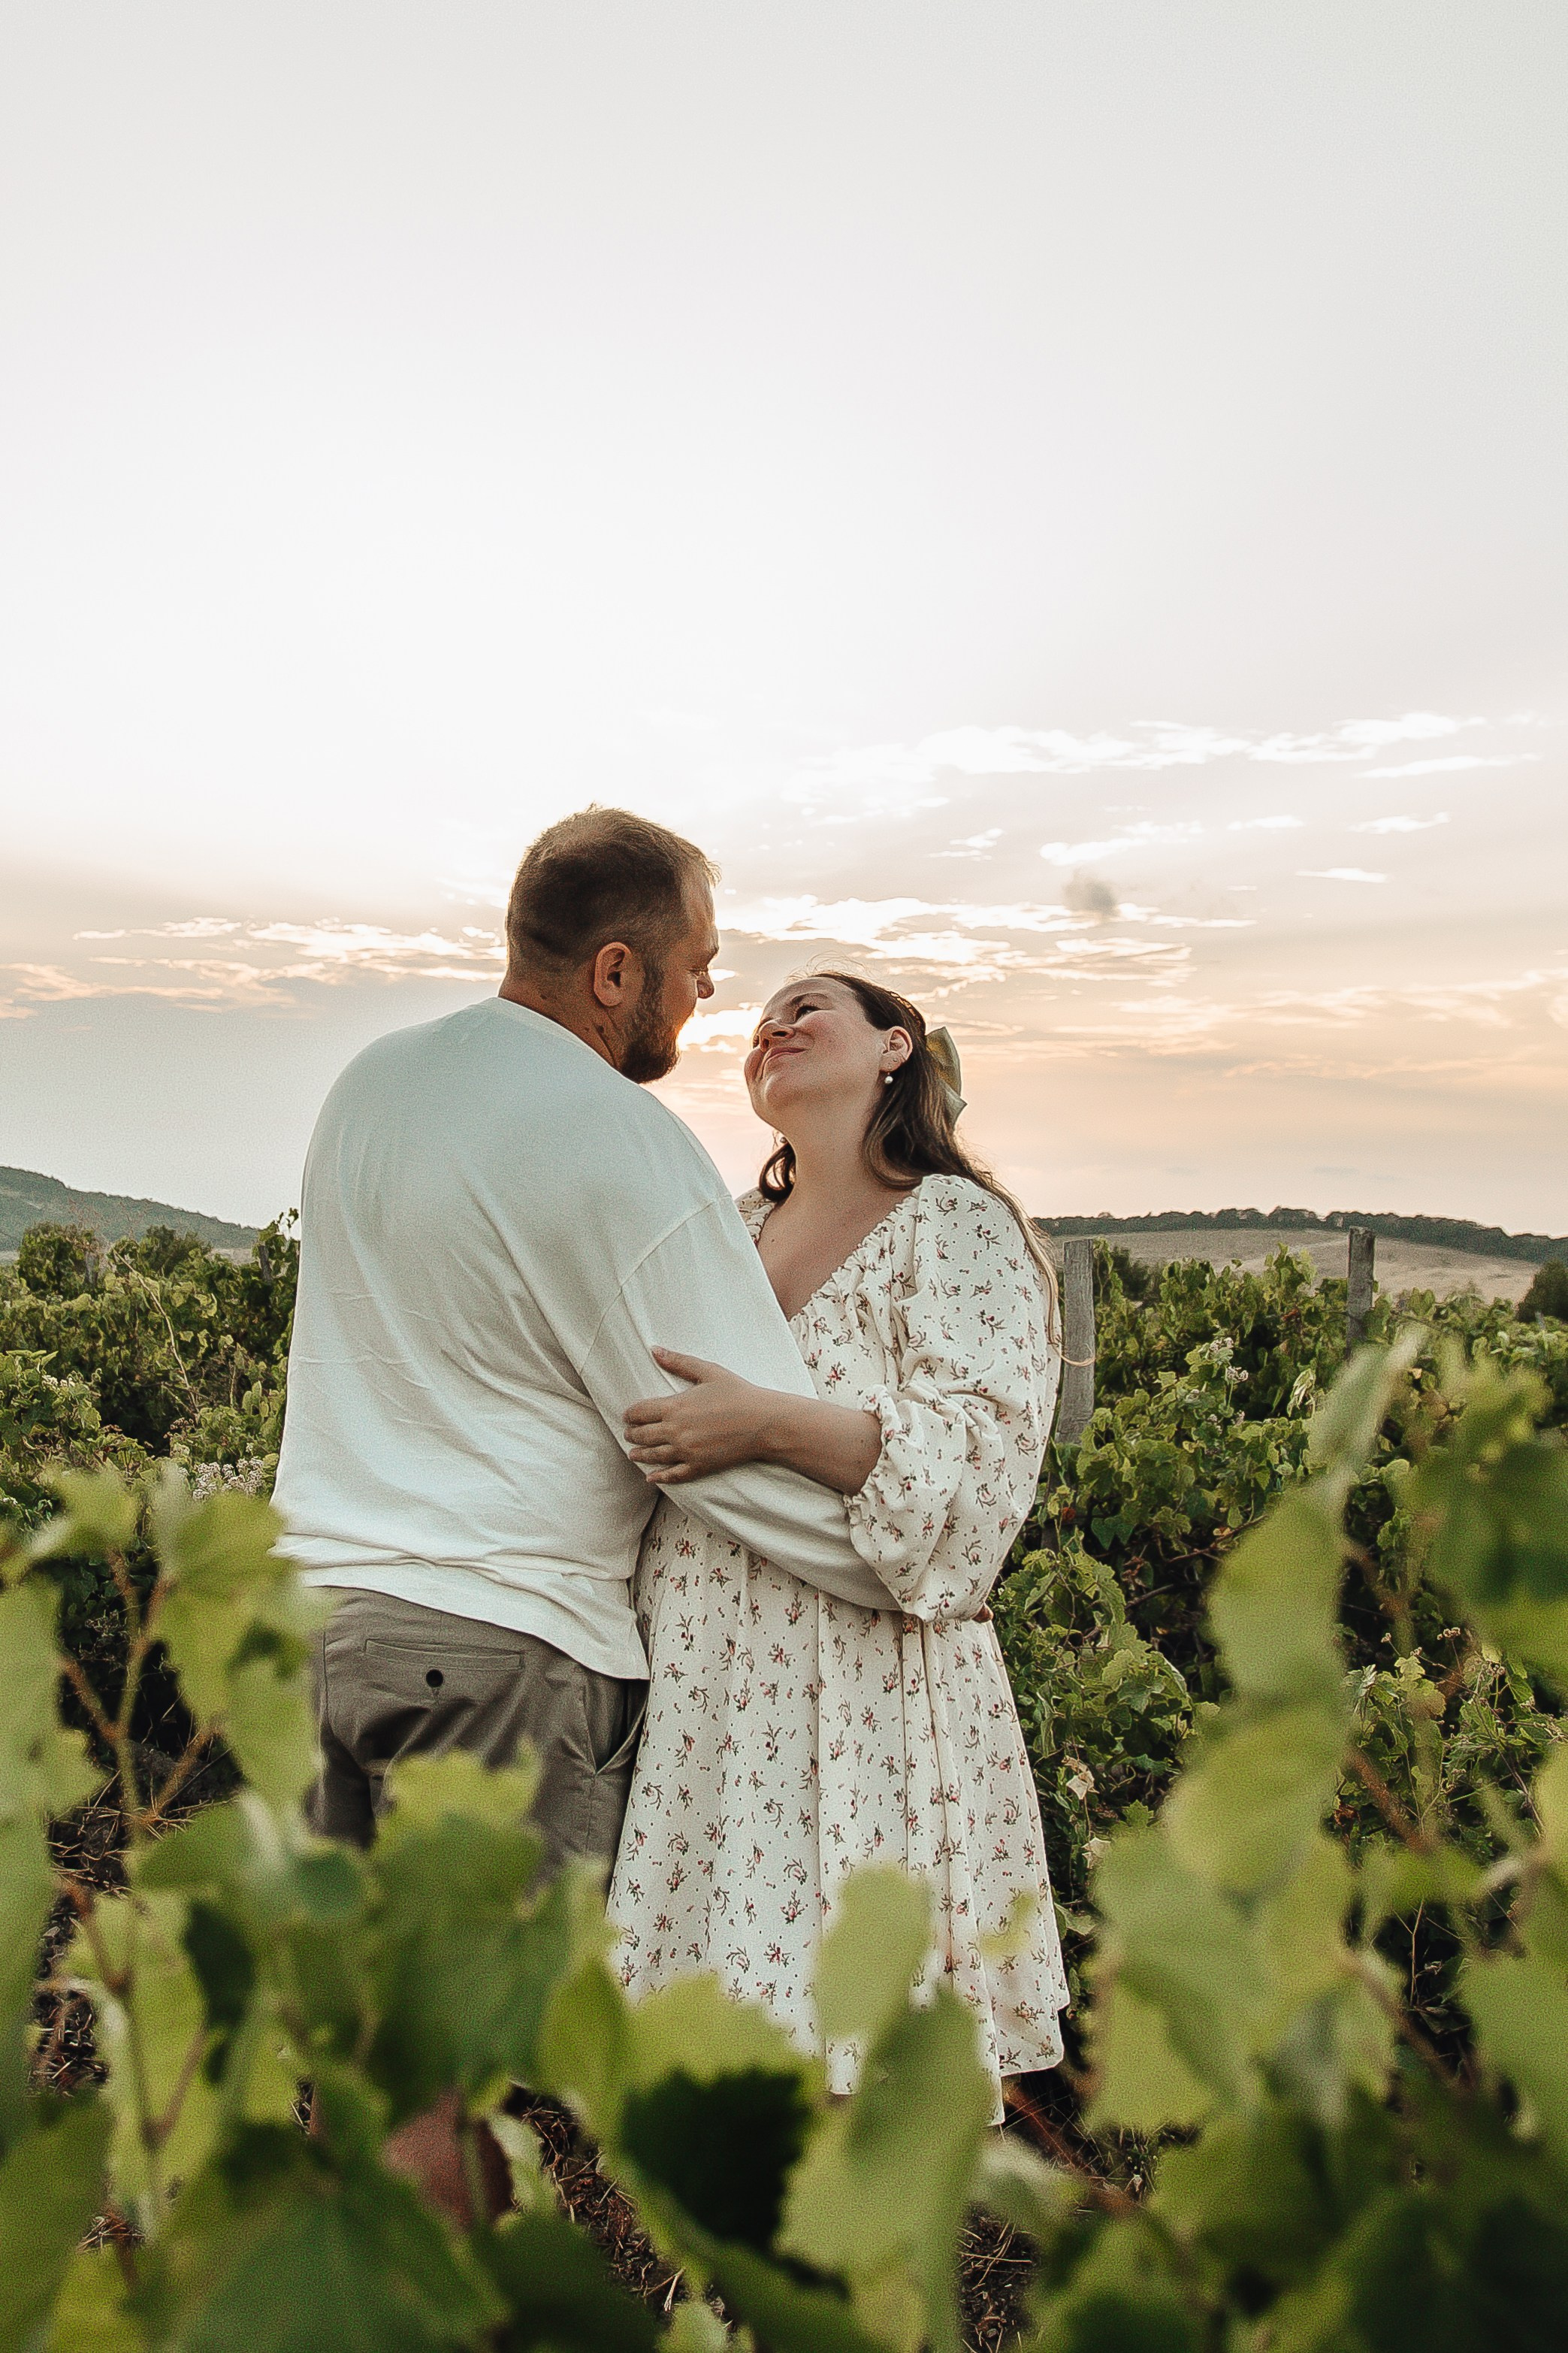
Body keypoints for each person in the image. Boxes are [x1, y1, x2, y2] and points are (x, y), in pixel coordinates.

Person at [273, 808, 890, 1877]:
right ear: (615, 972)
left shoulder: (367, 1087)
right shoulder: (623, 1138)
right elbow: (717, 1438)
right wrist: (905, 1566)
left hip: (298, 1633)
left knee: (331, 2032)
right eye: (696, 968)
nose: (708, 998)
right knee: (505, 2037)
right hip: (494, 1659)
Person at [606, 972, 1069, 2112]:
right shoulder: (722, 1233)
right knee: (713, 2062)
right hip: (707, 1676)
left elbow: (978, 1464)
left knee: (854, 2057)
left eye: (808, 1006)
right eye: (761, 1019)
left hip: (867, 1684)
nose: (774, 1026)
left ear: (896, 1048)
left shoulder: (957, 1225)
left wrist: (766, 1422)